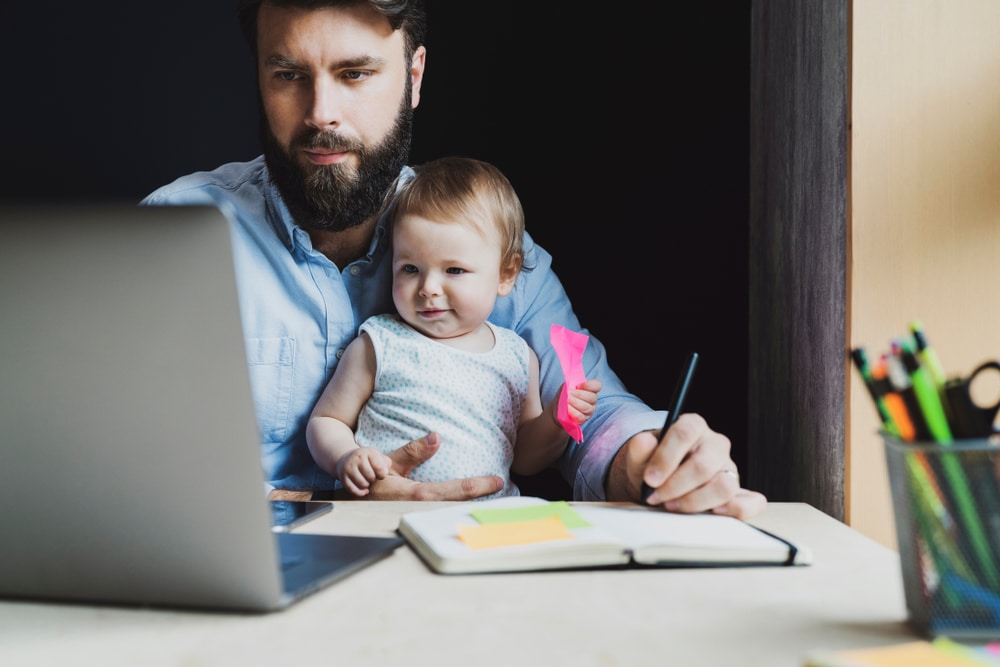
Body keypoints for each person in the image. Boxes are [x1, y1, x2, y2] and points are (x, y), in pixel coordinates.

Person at [140, 0, 766, 518]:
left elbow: (591, 407)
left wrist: (644, 457)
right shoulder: (170, 236)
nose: (320, 113)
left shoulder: (489, 250)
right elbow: (110, 453)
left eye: (355, 73)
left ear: (414, 77)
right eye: (287, 74)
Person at [306, 156, 602, 499]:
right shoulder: (381, 343)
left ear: (506, 275)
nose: (429, 288)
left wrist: (555, 420)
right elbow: (326, 421)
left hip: (487, 525)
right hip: (389, 516)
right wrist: (346, 456)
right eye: (411, 269)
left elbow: (525, 459)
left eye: (454, 271)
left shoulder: (517, 358)